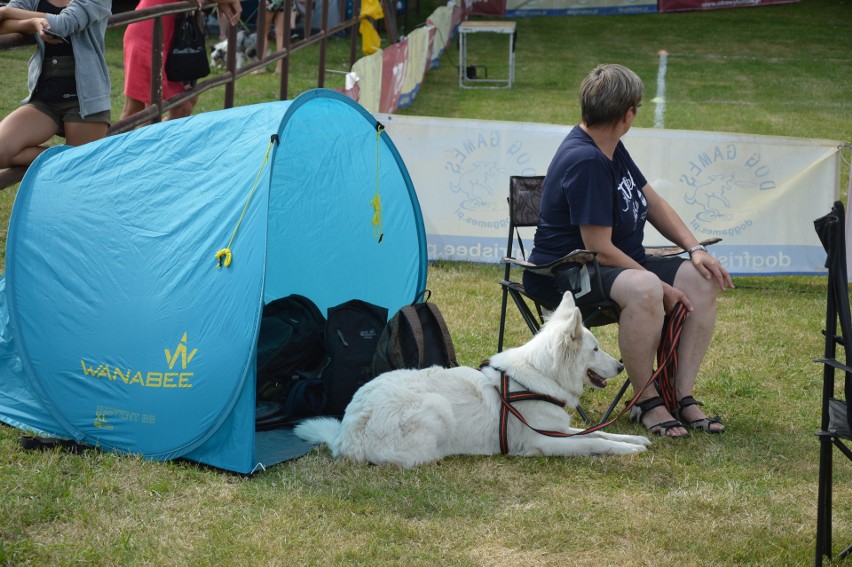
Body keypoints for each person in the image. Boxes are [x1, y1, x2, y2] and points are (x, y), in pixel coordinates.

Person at [523, 63, 734, 438]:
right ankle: (647, 401)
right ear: (628, 114)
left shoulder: (610, 147)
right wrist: (659, 282)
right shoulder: (586, 159)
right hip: (567, 275)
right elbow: (598, 248)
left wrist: (695, 248)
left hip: (613, 265)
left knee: (699, 280)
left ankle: (680, 395)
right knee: (646, 288)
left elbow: (650, 201)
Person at [0, 0, 111, 169]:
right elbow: (2, 27)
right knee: (2, 151)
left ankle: (79, 159)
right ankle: (73, 157)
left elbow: (61, 25)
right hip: (45, 98)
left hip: (85, 101)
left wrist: (7, 12)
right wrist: (32, 22)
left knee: (78, 177)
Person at [120, 0, 241, 122]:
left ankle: (154, 138)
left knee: (183, 105)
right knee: (136, 110)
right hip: (147, 39)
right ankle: (114, 140)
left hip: (169, 42)